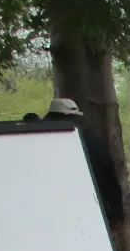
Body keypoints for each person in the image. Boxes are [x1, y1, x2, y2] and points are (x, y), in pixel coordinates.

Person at [44, 97, 123, 230]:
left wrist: (115, 211)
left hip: (84, 207)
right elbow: (110, 175)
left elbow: (108, 173)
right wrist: (116, 212)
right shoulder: (90, 137)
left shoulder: (88, 138)